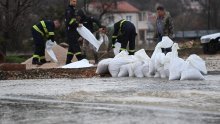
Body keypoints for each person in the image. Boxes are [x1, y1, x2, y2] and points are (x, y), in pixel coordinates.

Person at [65, 0, 85, 64]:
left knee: (71, 47)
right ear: (70, 1)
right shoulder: (69, 10)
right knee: (76, 45)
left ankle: (68, 61)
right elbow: (69, 22)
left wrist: (77, 23)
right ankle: (80, 59)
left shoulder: (73, 10)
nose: (74, 3)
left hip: (72, 30)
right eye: (73, 1)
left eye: (75, 1)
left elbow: (72, 21)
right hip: (70, 30)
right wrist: (77, 24)